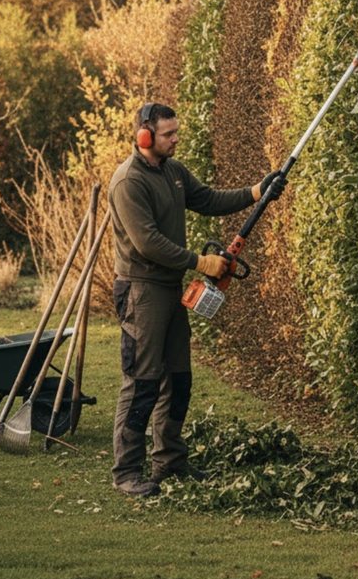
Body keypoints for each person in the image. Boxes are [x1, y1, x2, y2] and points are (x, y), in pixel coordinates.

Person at [108, 102, 286, 497]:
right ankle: (126, 472)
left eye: (175, 132)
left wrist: (259, 191)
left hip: (171, 288)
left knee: (179, 379)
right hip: (141, 290)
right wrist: (201, 262)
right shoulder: (128, 182)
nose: (175, 140)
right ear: (144, 135)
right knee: (142, 382)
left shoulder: (172, 172)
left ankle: (169, 461)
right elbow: (147, 242)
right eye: (168, 134)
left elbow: (207, 199)